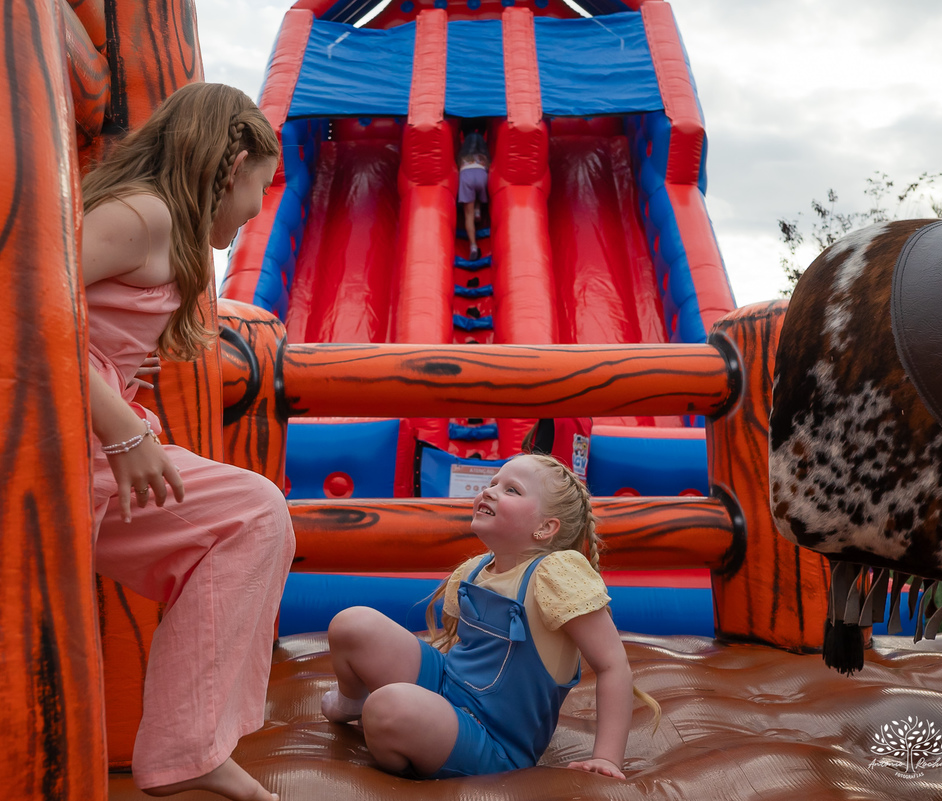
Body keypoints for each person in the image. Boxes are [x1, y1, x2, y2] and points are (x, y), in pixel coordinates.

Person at [81, 82, 294, 801]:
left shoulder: (161, 228)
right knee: (250, 513)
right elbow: (22, 301)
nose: (259, 206)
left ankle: (191, 744)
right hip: (72, 449)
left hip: (94, 442)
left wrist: (116, 364)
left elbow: (82, 318)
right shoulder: (142, 215)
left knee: (252, 515)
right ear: (231, 168)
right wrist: (119, 426)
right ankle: (186, 747)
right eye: (261, 185)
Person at [321, 454, 660, 779]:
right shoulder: (476, 568)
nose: (490, 491)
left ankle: (411, 734)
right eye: (492, 483)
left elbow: (612, 664)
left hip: (494, 740)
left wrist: (606, 757)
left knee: (388, 707)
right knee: (354, 623)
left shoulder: (556, 576)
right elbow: (462, 650)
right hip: (447, 687)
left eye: (511, 490)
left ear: (545, 527)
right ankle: (353, 702)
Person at [457, 131, 489, 261]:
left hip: (466, 176)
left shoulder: (462, 156)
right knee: (480, 190)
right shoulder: (484, 156)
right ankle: (478, 209)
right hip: (481, 175)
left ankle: (473, 246)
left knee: (468, 215)